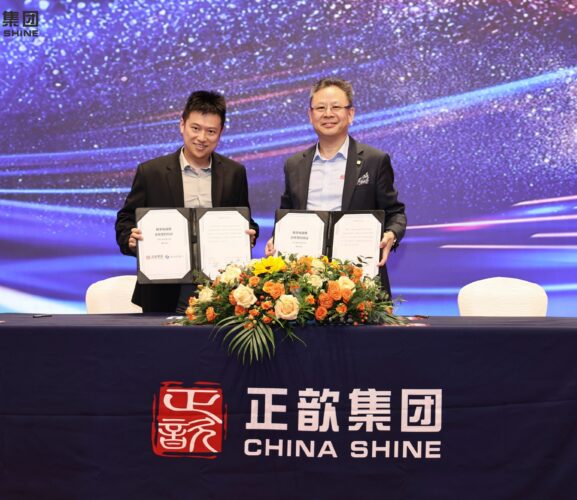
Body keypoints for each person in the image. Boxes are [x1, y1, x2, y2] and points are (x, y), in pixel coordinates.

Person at [116, 90, 259, 312]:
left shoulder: (234, 173)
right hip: (163, 288)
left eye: (211, 131)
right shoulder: (151, 172)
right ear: (182, 125)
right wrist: (130, 239)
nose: (202, 138)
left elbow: (245, 219)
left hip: (218, 289)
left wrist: (250, 234)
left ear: (220, 132)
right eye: (195, 128)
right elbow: (125, 219)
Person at [265, 77, 406, 297]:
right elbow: (287, 215)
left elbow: (396, 213)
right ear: (310, 115)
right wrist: (277, 237)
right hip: (304, 284)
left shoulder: (374, 160)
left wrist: (391, 235)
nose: (328, 114)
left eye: (336, 107)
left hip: (358, 283)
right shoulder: (294, 164)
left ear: (350, 114)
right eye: (320, 108)